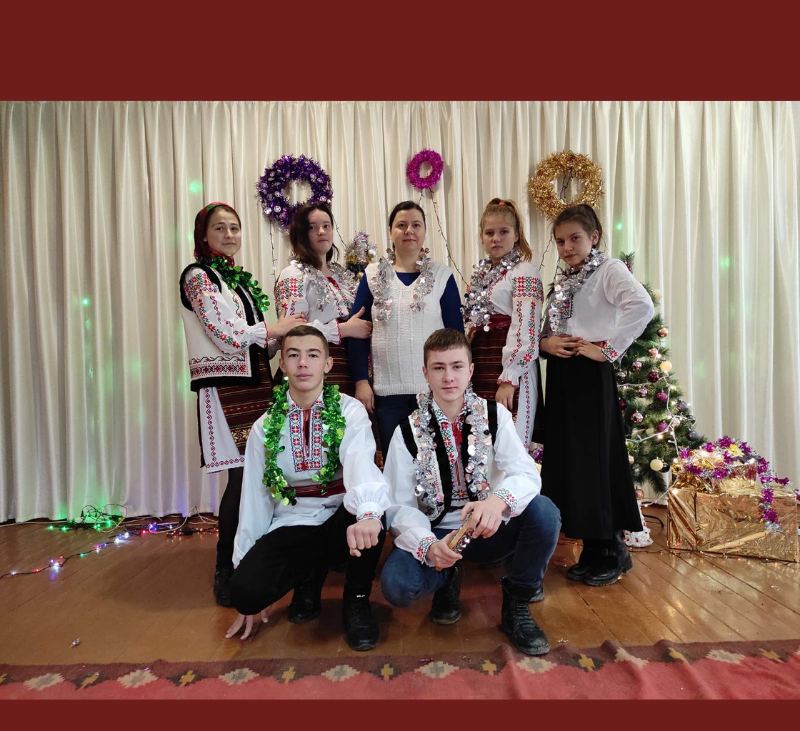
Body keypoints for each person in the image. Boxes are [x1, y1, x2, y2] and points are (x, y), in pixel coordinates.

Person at [380, 329, 561, 656]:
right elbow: (397, 504)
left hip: (489, 527)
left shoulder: (495, 416)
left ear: (471, 370)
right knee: (398, 586)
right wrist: (428, 546)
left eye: (457, 366)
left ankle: (517, 600)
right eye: (438, 368)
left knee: (544, 512)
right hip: (438, 533)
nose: (448, 377)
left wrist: (497, 501)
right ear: (425, 373)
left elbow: (525, 473)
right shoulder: (407, 431)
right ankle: (446, 574)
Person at [225, 326, 391, 651]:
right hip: (293, 521)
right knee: (244, 593)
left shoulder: (349, 410)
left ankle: (357, 599)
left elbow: (360, 464)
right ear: (283, 364)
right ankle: (308, 579)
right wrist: (244, 564)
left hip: (341, 518)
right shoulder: (264, 426)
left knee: (370, 511)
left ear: (327, 364)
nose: (303, 363)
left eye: (312, 355)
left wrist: (370, 513)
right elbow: (255, 500)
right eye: (293, 355)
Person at [178, 202, 306, 607]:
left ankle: (254, 558)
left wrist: (283, 337)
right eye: (220, 228)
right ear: (203, 234)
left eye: (234, 228)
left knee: (260, 473)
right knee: (240, 477)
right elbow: (224, 332)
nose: (229, 234)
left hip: (255, 383)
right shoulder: (198, 276)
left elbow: (254, 343)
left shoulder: (236, 280)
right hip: (224, 386)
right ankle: (225, 567)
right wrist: (274, 328)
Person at [539, 204, 654, 586]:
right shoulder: (565, 279)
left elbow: (641, 306)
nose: (567, 247)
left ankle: (612, 549)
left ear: (594, 237)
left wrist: (607, 350)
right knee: (573, 462)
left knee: (595, 460)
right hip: (563, 375)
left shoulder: (608, 270)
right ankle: (591, 548)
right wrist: (547, 344)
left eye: (575, 238)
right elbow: (549, 327)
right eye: (560, 241)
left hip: (589, 375)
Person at [348, 201, 464, 455]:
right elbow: (357, 332)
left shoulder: (442, 275)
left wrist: (457, 382)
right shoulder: (372, 275)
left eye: (416, 225)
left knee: (436, 464)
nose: (409, 230)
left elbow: (456, 337)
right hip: (388, 393)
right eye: (401, 225)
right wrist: (361, 381)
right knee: (395, 464)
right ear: (391, 232)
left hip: (435, 391)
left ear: (425, 232)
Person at [463, 198, 545, 447]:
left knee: (509, 439)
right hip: (481, 363)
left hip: (508, 367)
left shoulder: (524, 271)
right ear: (482, 237)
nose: (496, 238)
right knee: (481, 440)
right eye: (490, 233)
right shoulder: (481, 275)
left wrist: (510, 378)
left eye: (503, 232)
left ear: (516, 235)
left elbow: (526, 326)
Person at [275, 202, 371, 397]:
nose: (321, 232)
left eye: (326, 226)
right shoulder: (293, 274)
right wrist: (344, 329)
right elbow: (292, 333)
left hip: (352, 367)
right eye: (312, 227)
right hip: (313, 368)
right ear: (301, 233)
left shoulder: (341, 274)